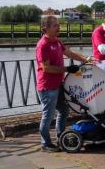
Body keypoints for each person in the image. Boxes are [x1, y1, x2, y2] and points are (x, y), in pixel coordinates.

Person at [36, 16, 92, 152]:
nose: (58, 28)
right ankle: (45, 144)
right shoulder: (43, 45)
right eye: (55, 26)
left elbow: (69, 53)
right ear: (45, 29)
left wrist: (87, 59)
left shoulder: (56, 41)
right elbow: (46, 68)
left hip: (58, 83)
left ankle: (61, 137)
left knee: (64, 110)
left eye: (58, 25)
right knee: (48, 115)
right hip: (47, 86)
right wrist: (67, 69)